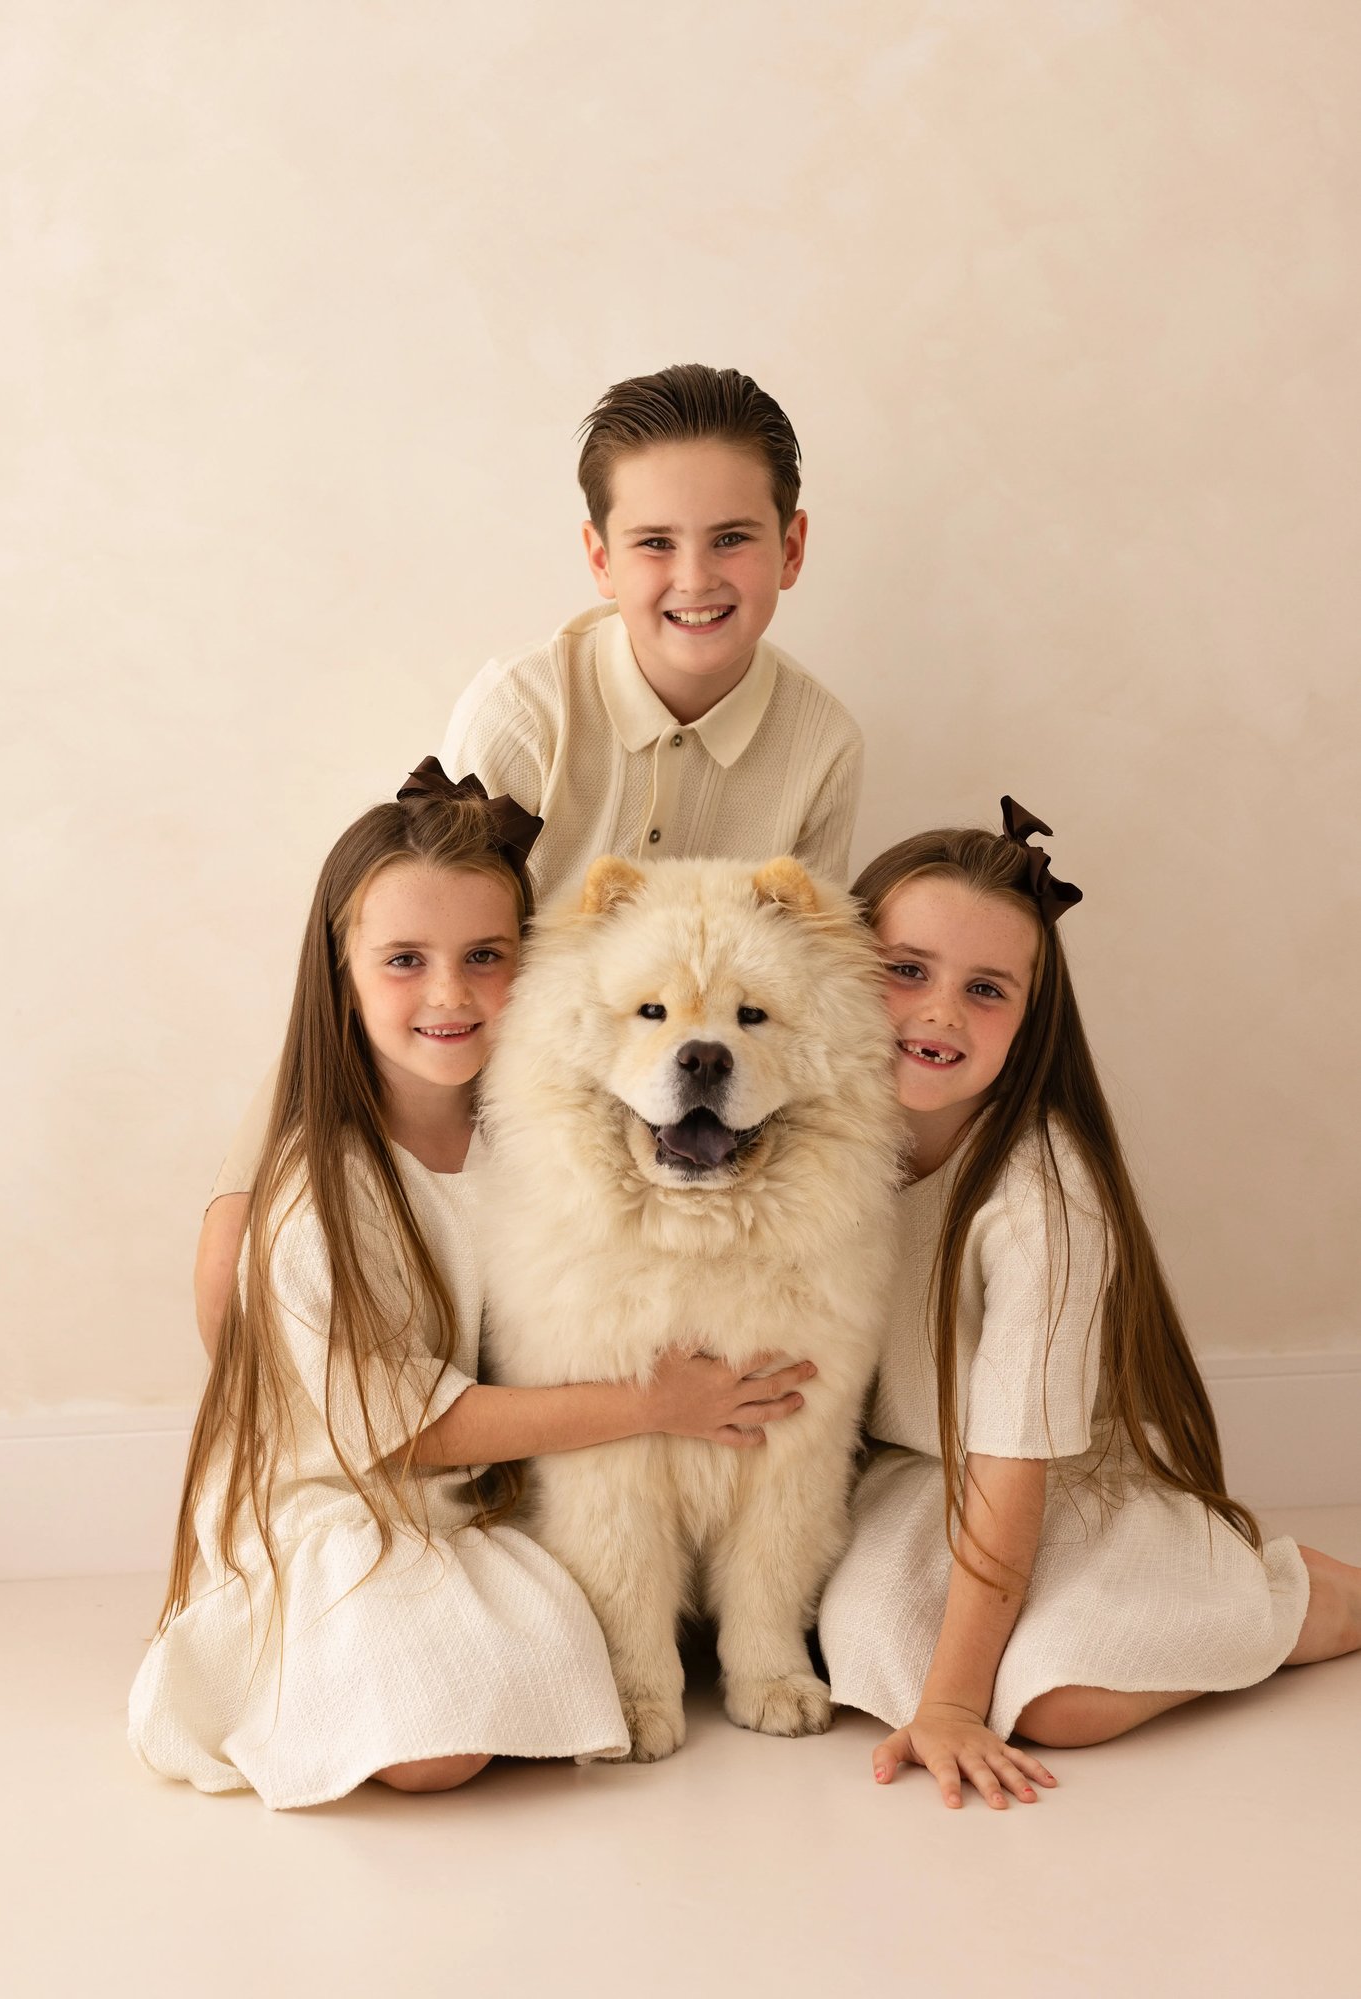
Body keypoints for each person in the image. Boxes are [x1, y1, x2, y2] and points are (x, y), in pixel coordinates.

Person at [130, 764, 816, 1808]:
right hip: (336, 1506)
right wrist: (657, 1404)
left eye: (484, 958)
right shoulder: (322, 1193)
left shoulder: (532, 1140)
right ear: (342, 974)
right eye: (405, 960)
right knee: (433, 1749)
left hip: (477, 1508)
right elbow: (399, 1429)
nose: (449, 994)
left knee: (536, 1660)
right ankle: (312, 1654)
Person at [195, 362, 864, 1342]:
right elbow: (413, 944)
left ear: (791, 546)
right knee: (258, 1271)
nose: (695, 577)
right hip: (464, 1084)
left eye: (732, 538)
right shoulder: (527, 714)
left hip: (664, 1137)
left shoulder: (822, 745)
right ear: (599, 558)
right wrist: (242, 1199)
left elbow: (807, 993)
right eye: (653, 544)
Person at [817, 800, 1361, 1809]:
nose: (938, 1012)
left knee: (1062, 1703)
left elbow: (1015, 1468)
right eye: (906, 970)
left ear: (1029, 1028)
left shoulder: (1044, 1202)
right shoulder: (804, 1138)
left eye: (986, 990)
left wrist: (954, 1705)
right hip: (908, 1475)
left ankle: (1302, 1597)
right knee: (865, 1650)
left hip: (1060, 1478)